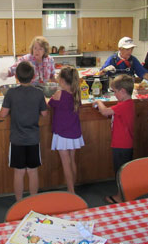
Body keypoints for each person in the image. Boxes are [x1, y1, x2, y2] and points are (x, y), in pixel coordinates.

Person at [0, 61, 48, 201]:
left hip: (17, 140)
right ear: (33, 76)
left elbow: (3, 114)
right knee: (33, 171)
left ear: (16, 77)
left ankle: (19, 202)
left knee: (19, 172)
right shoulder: (38, 93)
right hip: (33, 139)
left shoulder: (11, 93)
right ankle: (33, 201)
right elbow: (44, 114)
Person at [93, 74, 135, 204]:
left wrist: (99, 102)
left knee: (120, 172)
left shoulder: (124, 105)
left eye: (115, 92)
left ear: (122, 91)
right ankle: (124, 193)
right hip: (124, 143)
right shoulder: (125, 103)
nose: (114, 94)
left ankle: (120, 196)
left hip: (121, 145)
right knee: (122, 170)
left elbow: (105, 112)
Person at [48, 66, 84, 194]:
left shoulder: (59, 94)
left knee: (65, 162)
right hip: (74, 132)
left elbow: (49, 104)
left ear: (62, 81)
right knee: (71, 160)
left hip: (63, 133)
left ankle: (71, 191)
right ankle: (73, 187)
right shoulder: (76, 93)